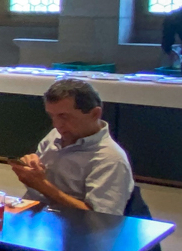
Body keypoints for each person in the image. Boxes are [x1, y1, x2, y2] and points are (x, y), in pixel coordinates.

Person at [11, 78, 135, 214]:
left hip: (74, 230)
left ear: (95, 114)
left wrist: (44, 187)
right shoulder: (55, 136)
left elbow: (101, 220)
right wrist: (30, 169)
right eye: (52, 116)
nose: (57, 125)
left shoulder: (110, 159)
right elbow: (37, 184)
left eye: (64, 117)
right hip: (35, 218)